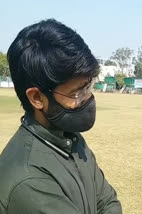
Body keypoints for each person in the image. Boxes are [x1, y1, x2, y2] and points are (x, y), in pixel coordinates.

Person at [0, 19, 122, 214]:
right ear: (37, 98)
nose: (87, 99)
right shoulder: (29, 180)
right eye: (76, 93)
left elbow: (108, 203)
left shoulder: (69, 138)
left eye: (88, 87)